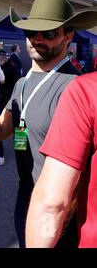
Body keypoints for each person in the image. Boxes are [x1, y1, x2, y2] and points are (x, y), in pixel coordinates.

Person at [0, 0, 97, 247]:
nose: (38, 39)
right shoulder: (22, 83)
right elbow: (5, 129)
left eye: (49, 33)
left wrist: (62, 217)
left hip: (60, 210)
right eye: (31, 32)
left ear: (68, 36)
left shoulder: (74, 87)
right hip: (25, 196)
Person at [26, 71, 97, 248]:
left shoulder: (80, 84)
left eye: (50, 39)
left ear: (67, 41)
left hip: (63, 199)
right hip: (28, 184)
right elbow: (6, 126)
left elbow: (52, 201)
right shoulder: (23, 83)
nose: (36, 42)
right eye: (30, 40)